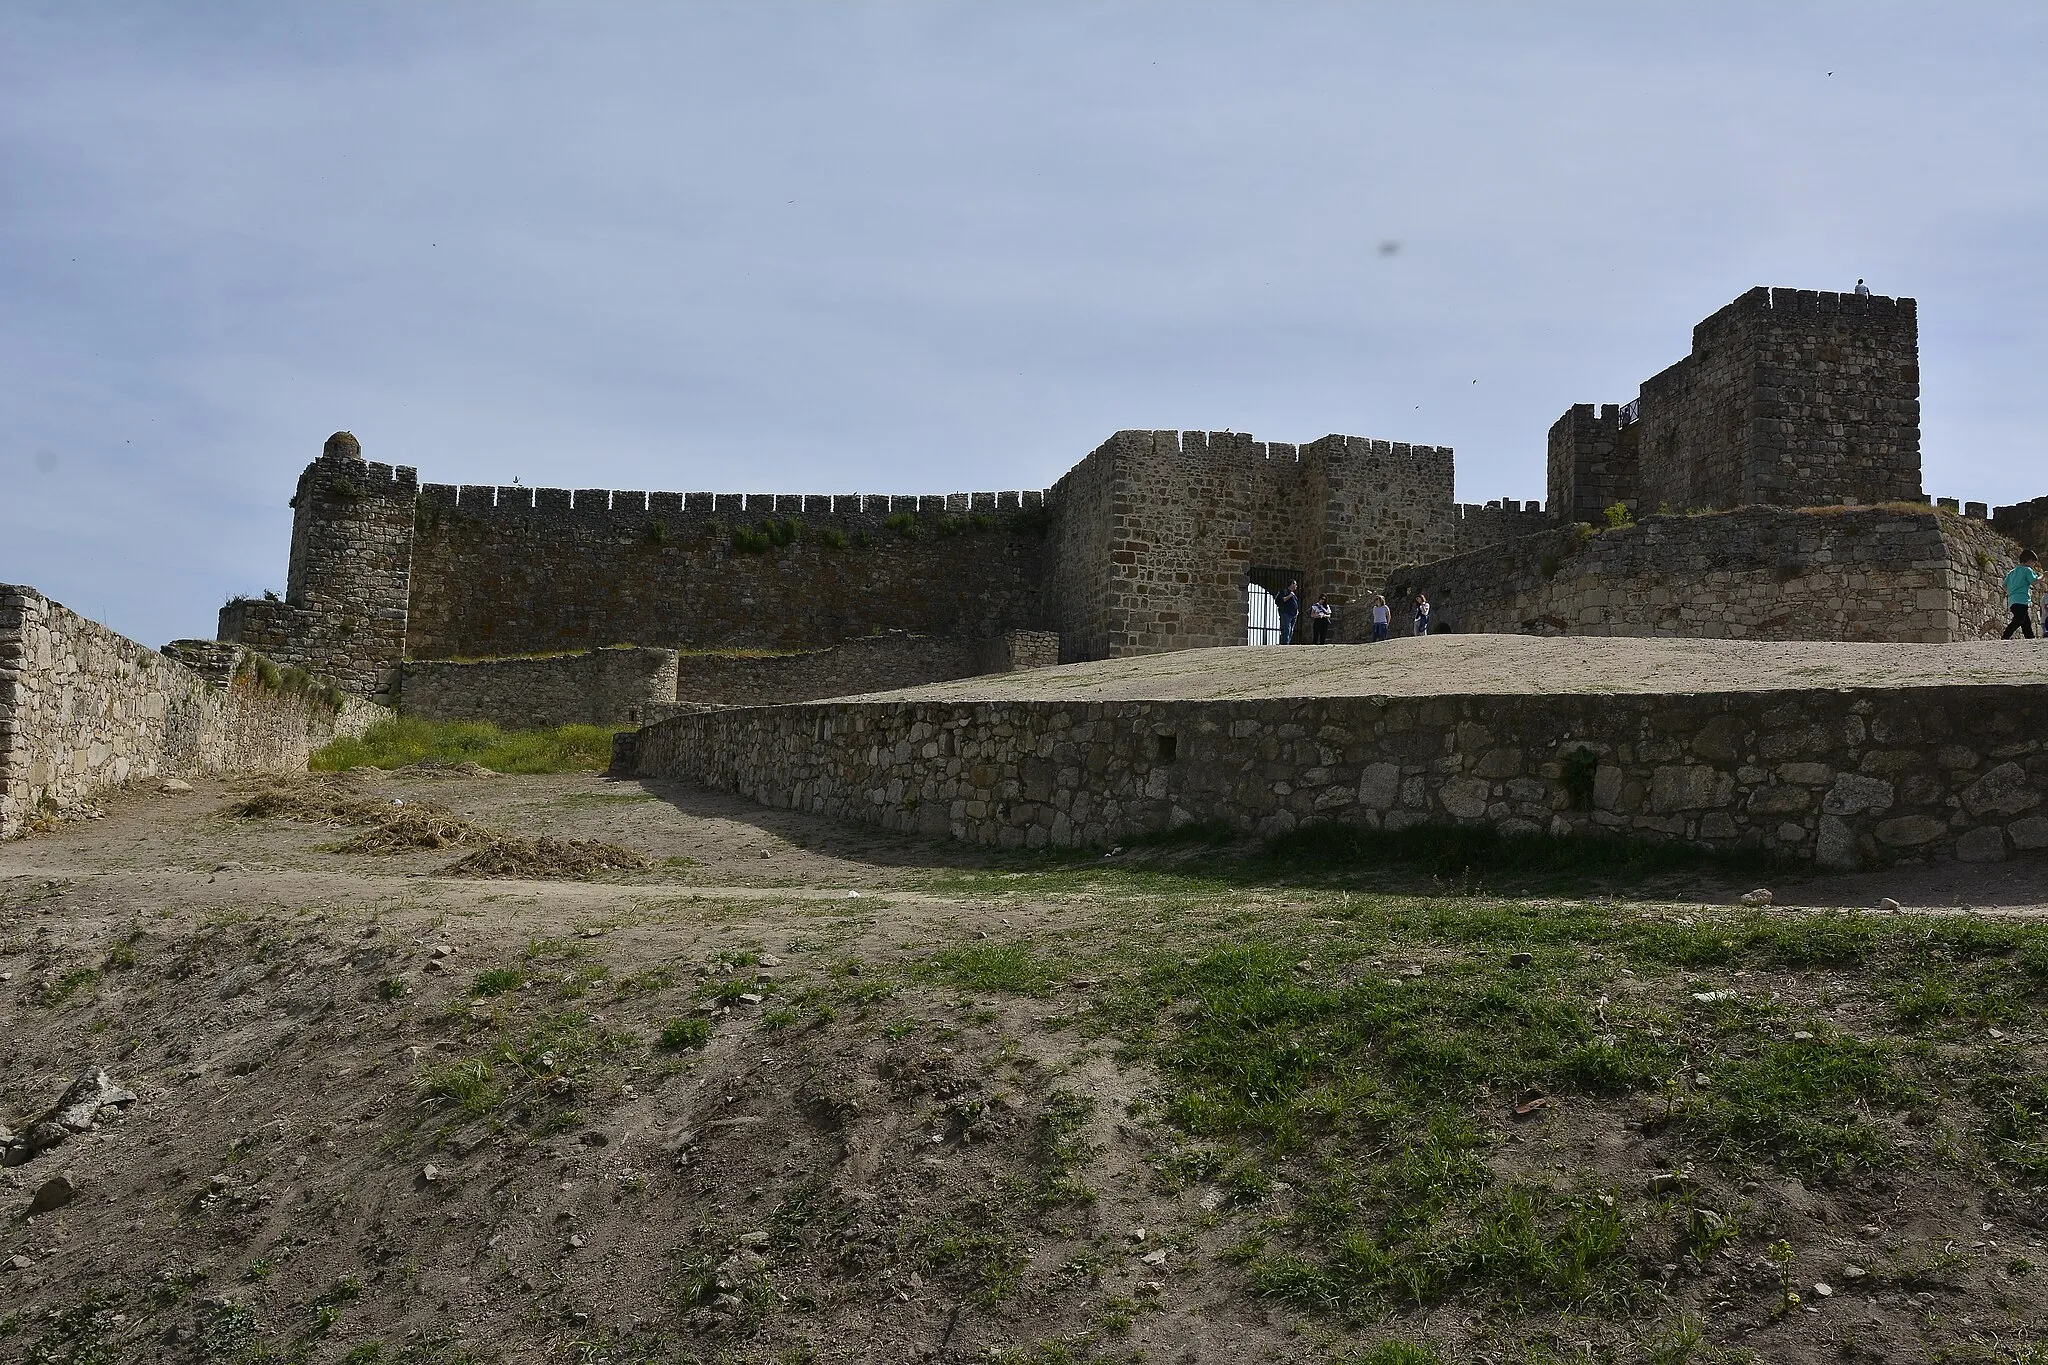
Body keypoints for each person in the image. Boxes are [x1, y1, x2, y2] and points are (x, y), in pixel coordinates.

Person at [2004, 550, 2040, 639]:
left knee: (2025, 621)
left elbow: (2004, 585)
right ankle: (2005, 636)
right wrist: (2043, 577)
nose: (2034, 565)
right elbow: (2034, 581)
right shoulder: (2027, 570)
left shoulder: (2012, 572)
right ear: (2029, 561)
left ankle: (2030, 637)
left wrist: (2011, 593)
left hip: (2012, 600)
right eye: (2034, 563)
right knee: (2019, 620)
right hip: (2022, 600)